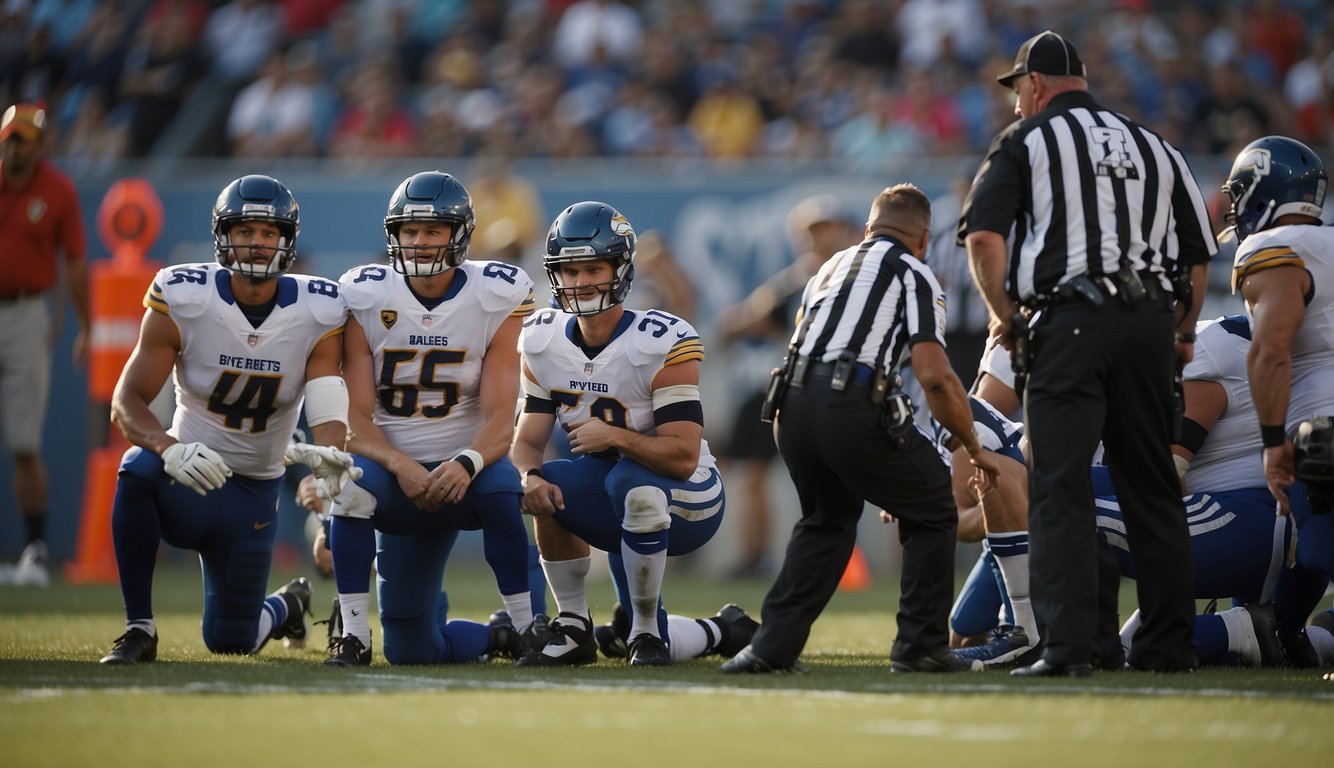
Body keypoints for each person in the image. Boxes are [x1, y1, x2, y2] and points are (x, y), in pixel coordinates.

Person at [961, 30, 1216, 677]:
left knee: (1059, 489)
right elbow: (1196, 257)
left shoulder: (1027, 140)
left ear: (1036, 84)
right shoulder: (1157, 146)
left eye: (1019, 91)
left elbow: (985, 238)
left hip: (1072, 323)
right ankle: (1168, 647)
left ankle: (1071, 649)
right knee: (1153, 490)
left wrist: (1006, 318)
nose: (1019, 105)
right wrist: (1181, 333)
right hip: (1152, 326)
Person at [722, 183, 1001, 675]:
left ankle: (769, 648)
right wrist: (973, 445)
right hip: (847, 401)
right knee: (936, 505)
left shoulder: (827, 268)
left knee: (826, 522)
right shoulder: (915, 273)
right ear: (922, 240)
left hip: (790, 404)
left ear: (868, 229)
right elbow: (934, 375)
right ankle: (920, 647)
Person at [99, 174, 355, 664]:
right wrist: (168, 448)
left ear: (286, 240)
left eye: (268, 233)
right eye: (245, 231)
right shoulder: (183, 295)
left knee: (230, 639)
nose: (256, 243)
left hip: (252, 495)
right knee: (136, 468)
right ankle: (138, 628)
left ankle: (286, 605)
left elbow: (326, 406)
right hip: (187, 480)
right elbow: (125, 400)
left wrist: (329, 471)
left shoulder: (317, 309)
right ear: (223, 234)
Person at [324, 170, 540, 667]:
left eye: (433, 230)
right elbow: (354, 418)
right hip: (393, 474)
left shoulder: (497, 293)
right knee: (411, 650)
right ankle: (357, 635)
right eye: (410, 230)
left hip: (466, 472)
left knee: (503, 488)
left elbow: (502, 420)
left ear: (460, 233)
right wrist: (399, 464)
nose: (419, 242)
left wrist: (465, 463)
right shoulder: (365, 294)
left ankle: (530, 628)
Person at [512, 201, 731, 668]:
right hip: (615, 490)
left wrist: (614, 436)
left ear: (622, 269)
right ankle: (573, 625)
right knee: (549, 481)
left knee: (633, 485)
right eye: (569, 271)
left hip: (690, 494)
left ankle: (649, 634)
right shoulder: (541, 339)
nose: (581, 281)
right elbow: (526, 442)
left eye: (594, 267)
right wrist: (528, 477)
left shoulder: (661, 340)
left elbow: (682, 457)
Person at [1222, 135, 1334, 664]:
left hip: (1323, 425)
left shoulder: (1271, 248)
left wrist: (1271, 445)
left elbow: (1270, 351)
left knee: (1318, 548)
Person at [715, 194, 856, 581]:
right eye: (811, 231)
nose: (818, 238)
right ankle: (756, 557)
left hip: (840, 386)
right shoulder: (795, 279)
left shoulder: (854, 274)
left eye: (825, 228)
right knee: (754, 474)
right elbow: (745, 320)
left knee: (840, 476)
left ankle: (837, 558)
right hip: (790, 385)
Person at [0, 103, 88, 587]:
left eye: (25, 139)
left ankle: (34, 549)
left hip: (26, 313)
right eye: (11, 138)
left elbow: (73, 261)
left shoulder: (58, 190)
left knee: (24, 441)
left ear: (40, 144)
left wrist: (86, 325)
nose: (16, 147)